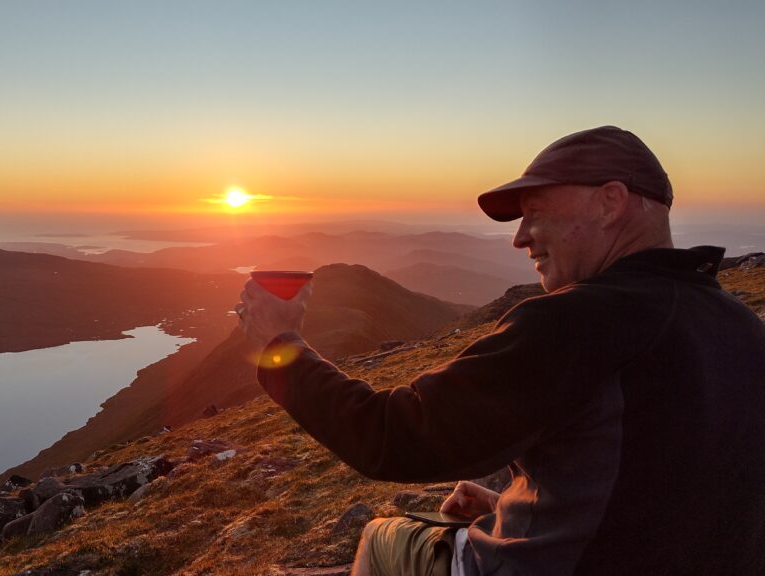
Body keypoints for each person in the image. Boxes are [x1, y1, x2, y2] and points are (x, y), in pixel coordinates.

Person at [234, 126, 765, 575]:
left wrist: (280, 347)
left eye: (535, 212)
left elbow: (393, 437)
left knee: (381, 538)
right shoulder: (741, 325)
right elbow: (667, 474)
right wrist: (518, 507)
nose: (520, 238)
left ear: (611, 201)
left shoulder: (580, 318)